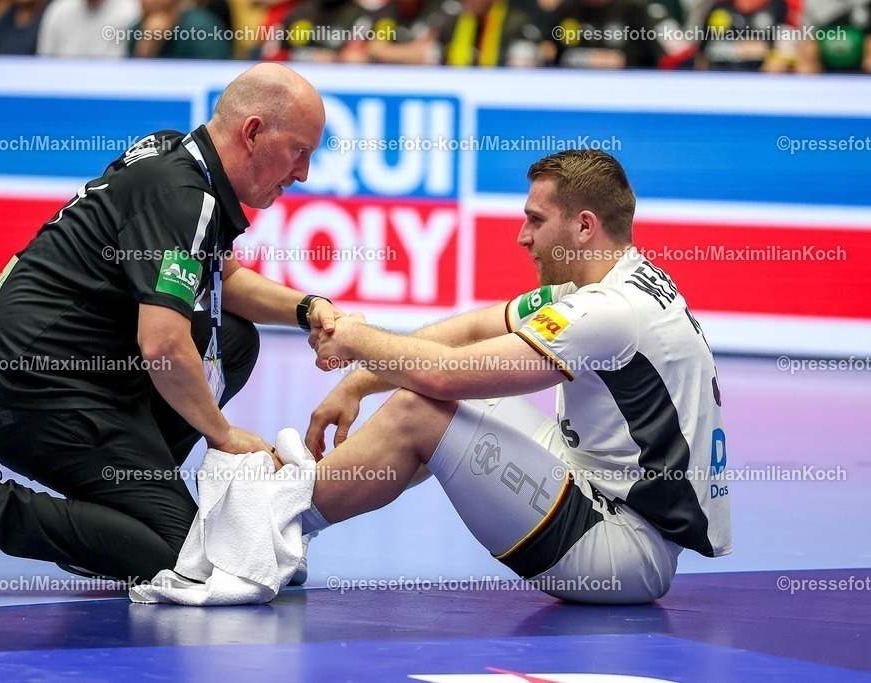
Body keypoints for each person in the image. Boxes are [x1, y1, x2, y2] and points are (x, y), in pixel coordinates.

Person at [0, 63, 341, 597]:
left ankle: (121, 509)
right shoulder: (184, 197)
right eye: (299, 150)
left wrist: (308, 307)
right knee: (182, 558)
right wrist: (225, 437)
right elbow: (163, 346)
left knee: (234, 339)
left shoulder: (176, 156)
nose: (303, 173)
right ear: (252, 132)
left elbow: (225, 281)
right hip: (27, 388)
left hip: (52, 367)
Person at [301, 149, 731, 604]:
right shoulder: (614, 283)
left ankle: (277, 518)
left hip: (625, 550)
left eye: (536, 220)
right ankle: (295, 513)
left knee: (420, 408)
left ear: (584, 227)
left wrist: (353, 339)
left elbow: (447, 374)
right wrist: (355, 385)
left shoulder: (608, 310)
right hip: (596, 484)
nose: (522, 238)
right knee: (440, 400)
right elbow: (466, 333)